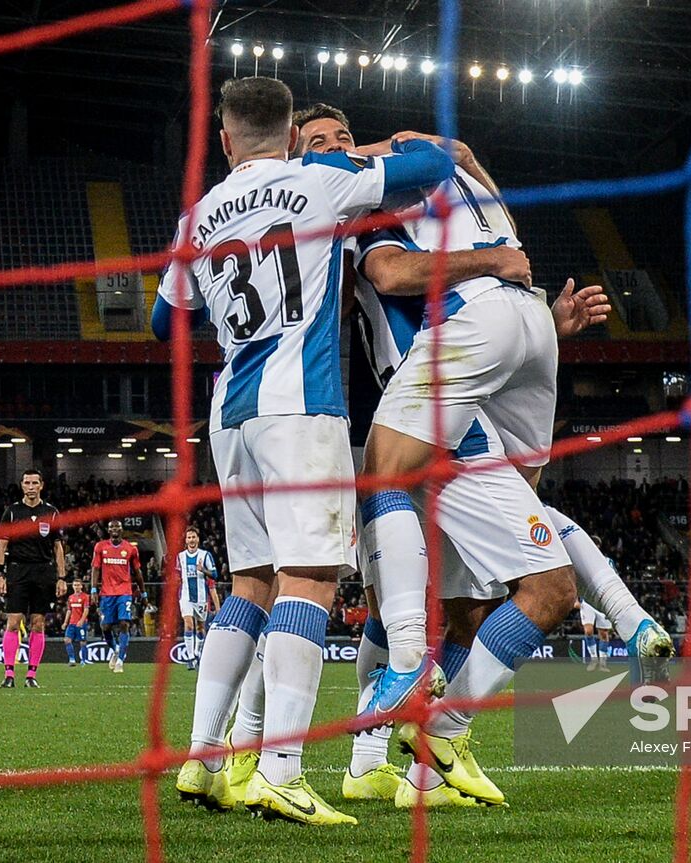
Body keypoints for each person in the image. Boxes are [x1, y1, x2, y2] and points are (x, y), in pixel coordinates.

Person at [289, 105, 670, 808]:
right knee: (451, 600)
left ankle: (409, 746)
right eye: (320, 143)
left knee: (454, 591)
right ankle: (395, 756)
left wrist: (520, 302)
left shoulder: (386, 189)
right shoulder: (348, 212)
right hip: (462, 382)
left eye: (344, 137)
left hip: (459, 397)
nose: (340, 149)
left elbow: (444, 170)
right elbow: (406, 240)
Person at [157, 77, 455, 826]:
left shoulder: (200, 213)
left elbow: (166, 320)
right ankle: (282, 770)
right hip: (302, 402)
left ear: (225, 141)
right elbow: (434, 169)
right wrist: (375, 151)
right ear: (293, 135)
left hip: (231, 412)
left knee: (250, 583)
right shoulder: (321, 179)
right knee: (312, 578)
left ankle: (202, 754)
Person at [0, 469, 67, 689]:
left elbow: (58, 547)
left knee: (38, 623)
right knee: (14, 621)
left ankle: (31, 675)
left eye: (35, 482)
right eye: (27, 483)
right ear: (22, 485)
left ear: (41, 485)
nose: (31, 486)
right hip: (18, 571)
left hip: (43, 572)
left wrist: (62, 577)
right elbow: (2, 544)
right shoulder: (13, 512)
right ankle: (9, 674)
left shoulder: (51, 512)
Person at [91, 519, 142, 674]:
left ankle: (120, 660)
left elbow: (137, 572)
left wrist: (143, 591)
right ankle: (116, 649)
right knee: (105, 626)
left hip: (124, 592)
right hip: (107, 593)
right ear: (108, 530)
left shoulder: (130, 549)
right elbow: (95, 569)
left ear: (121, 530)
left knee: (124, 623)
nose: (114, 529)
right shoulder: (100, 547)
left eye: (117, 527)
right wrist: (93, 589)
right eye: (111, 527)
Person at [176, 527, 222, 670]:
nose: (191, 540)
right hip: (186, 596)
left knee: (200, 627)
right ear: (186, 540)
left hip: (202, 597)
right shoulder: (180, 557)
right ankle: (190, 657)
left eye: (193, 537)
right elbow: (177, 575)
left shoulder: (205, 555)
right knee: (189, 624)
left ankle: (197, 653)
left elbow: (215, 575)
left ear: (198, 539)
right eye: (189, 537)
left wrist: (203, 570)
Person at [63, 578, 91, 667]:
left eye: (78, 585)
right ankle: (72, 660)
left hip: (81, 623)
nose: (76, 587)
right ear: (72, 586)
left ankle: (83, 661)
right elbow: (69, 611)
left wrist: (81, 621)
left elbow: (86, 610)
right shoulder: (70, 597)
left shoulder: (85, 596)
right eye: (75, 585)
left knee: (82, 642)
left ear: (81, 586)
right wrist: (65, 622)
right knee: (67, 640)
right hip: (71, 623)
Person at [580, 599, 613, 670]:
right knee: (588, 631)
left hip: (603, 603)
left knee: (603, 634)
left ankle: (602, 663)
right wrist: (576, 600)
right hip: (587, 603)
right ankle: (594, 659)